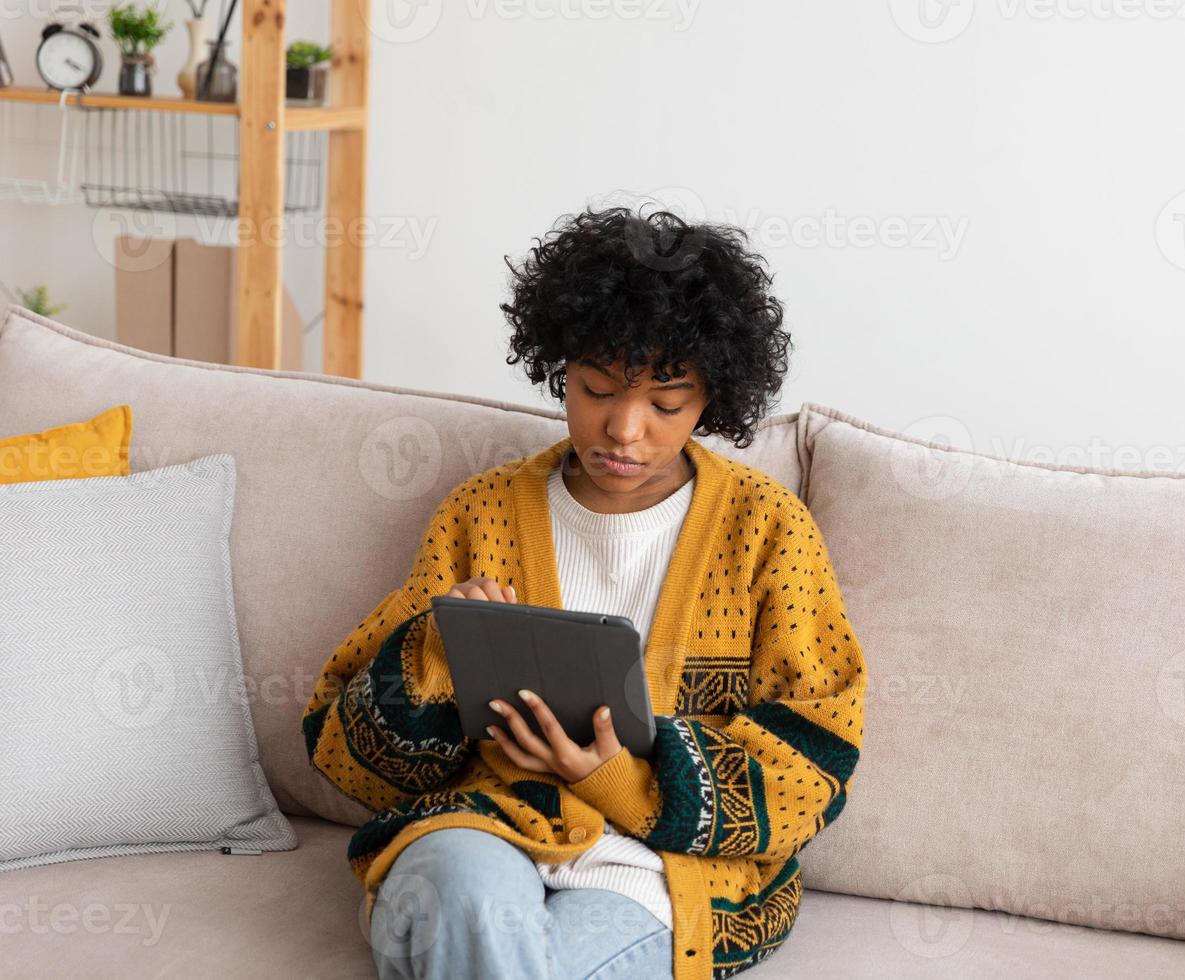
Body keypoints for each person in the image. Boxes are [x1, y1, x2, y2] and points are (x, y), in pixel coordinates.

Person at [301, 206, 868, 980]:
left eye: (667, 404)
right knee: (466, 902)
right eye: (596, 388)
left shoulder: (768, 531)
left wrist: (613, 780)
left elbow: (813, 763)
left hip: (659, 872)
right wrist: (439, 647)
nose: (624, 428)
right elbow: (346, 755)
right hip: (485, 829)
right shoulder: (483, 511)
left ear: (714, 399)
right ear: (558, 366)